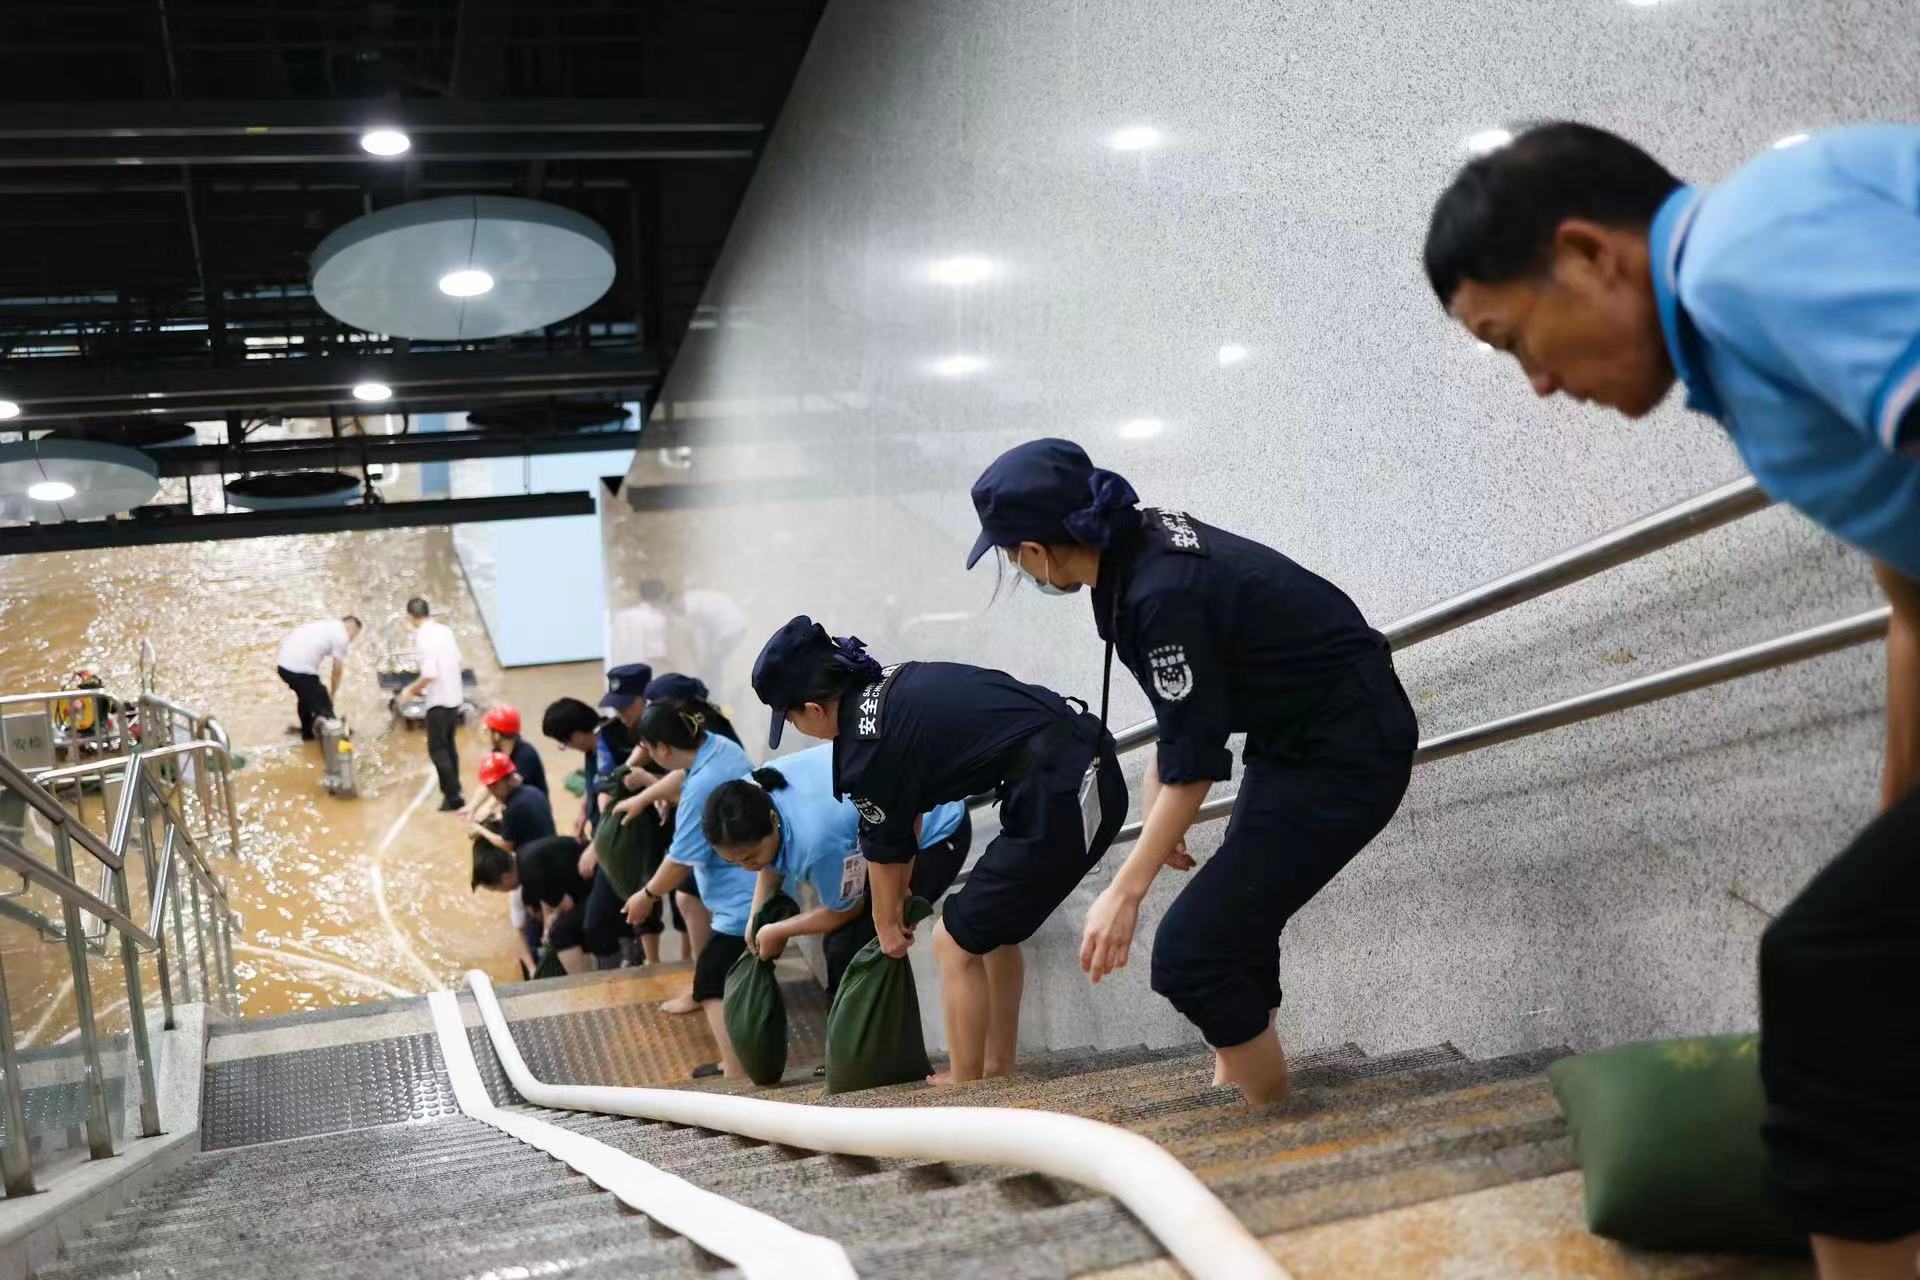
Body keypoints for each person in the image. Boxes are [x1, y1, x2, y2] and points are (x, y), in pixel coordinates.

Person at [1424, 122, 1920, 1279]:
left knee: (1834, 980)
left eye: (1515, 344)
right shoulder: (1735, 353)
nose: (1540, 383)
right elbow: (1911, 593)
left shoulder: (1754, 245)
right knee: (1858, 962)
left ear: (1592, 253)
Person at [966, 439, 1417, 1103]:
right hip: (1294, 733)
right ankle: (1236, 1092)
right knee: (1232, 934)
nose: (1018, 568)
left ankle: (1275, 1119)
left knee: (1191, 955)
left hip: (1348, 748)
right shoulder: (1128, 556)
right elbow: (1182, 718)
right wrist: (1157, 812)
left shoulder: (1157, 591)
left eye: (1010, 554)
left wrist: (1126, 888)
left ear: (1034, 550)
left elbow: (1195, 761)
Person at [750, 615, 1126, 1086]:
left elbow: (886, 847)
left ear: (815, 708)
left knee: (953, 939)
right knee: (989, 929)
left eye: (793, 719)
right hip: (1081, 766)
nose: (800, 729)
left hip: (1059, 793)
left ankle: (968, 1084)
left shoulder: (864, 749)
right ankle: (996, 1067)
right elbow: (904, 816)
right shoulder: (886, 687)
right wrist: (893, 905)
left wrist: (887, 928)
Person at [702, 742, 971, 998]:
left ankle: (866, 1039)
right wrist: (755, 916)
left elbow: (846, 910)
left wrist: (778, 931)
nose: (747, 868)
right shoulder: (748, 795)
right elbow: (771, 854)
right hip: (878, 826)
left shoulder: (815, 844)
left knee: (849, 945)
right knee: (840, 944)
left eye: (750, 857)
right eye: (733, 861)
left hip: (935, 832)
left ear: (773, 820)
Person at [616, 699, 760, 1078]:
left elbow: (679, 861)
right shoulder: (719, 747)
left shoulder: (702, 789)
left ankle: (736, 1071)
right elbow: (683, 775)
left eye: (647, 748)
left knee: (711, 980)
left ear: (663, 748)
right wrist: (645, 797)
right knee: (726, 959)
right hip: (755, 879)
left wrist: (646, 896)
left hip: (742, 899)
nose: (645, 755)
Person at [472, 830, 601, 976]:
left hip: (601, 881)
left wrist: (554, 918)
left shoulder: (531, 877)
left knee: (560, 934)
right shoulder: (523, 856)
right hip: (592, 877)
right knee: (557, 929)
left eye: (497, 889)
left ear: (505, 877)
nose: (502, 892)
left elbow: (566, 905)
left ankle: (582, 984)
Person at [395, 597, 466, 811]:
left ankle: (453, 796)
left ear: (410, 617)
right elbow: (459, 661)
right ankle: (455, 788)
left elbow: (430, 673)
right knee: (449, 744)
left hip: (438, 700)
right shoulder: (445, 630)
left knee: (437, 749)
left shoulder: (422, 637)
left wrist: (410, 691)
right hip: (455, 696)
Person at [275, 615, 361, 740]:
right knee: (322, 698)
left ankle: (307, 734)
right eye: (355, 634)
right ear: (351, 627)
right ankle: (339, 736)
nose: (352, 638)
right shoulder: (342, 636)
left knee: (305, 697)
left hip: (284, 666)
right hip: (298, 669)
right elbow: (336, 672)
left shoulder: (328, 624)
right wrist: (332, 695)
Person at [466, 752, 554, 854]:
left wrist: (480, 830)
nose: (491, 791)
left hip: (538, 862)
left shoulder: (513, 808)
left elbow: (506, 846)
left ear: (506, 781)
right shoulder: (533, 791)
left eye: (493, 786)